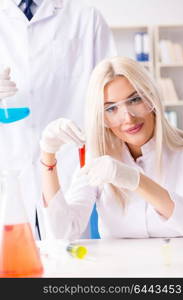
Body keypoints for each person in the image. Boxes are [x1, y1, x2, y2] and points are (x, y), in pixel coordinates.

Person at [0, 0, 116, 238]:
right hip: (8, 164)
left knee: (71, 260)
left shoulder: (86, 18)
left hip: (69, 164)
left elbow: (113, 90)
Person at [40, 56, 183, 240]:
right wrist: (48, 154)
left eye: (135, 100)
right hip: (119, 269)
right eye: (111, 109)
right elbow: (63, 233)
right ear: (102, 119)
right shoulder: (98, 159)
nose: (128, 118)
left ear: (151, 99)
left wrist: (136, 181)